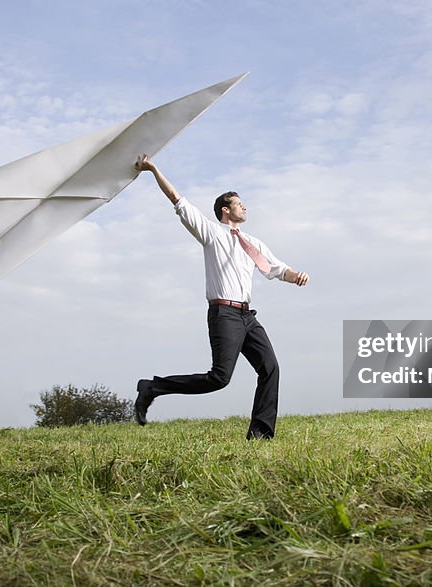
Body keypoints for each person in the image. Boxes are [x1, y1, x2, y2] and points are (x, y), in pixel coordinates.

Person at [132, 154, 309, 439]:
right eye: (240, 204)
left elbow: (277, 269)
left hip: (247, 316)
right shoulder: (212, 234)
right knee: (219, 378)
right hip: (223, 314)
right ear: (226, 210)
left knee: (270, 368)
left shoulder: (253, 242)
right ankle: (152, 388)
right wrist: (153, 169)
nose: (245, 207)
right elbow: (177, 200)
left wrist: (296, 275)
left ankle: (261, 432)